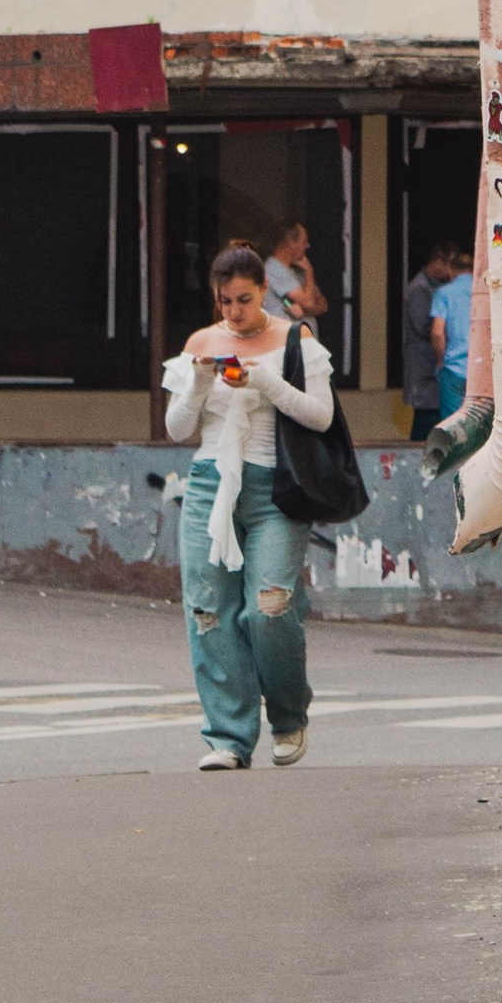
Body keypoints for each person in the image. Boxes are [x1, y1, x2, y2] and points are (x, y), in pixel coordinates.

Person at [162, 242, 336, 770]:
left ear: (264, 290)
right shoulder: (201, 343)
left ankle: (288, 715)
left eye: (244, 299)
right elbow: (177, 430)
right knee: (207, 611)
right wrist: (198, 383)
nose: (234, 312)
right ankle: (229, 738)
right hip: (209, 486)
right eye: (225, 301)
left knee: (270, 607)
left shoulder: (294, 339)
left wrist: (264, 380)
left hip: (274, 489)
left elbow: (321, 416)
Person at [402, 239, 459, 443]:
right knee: (425, 420)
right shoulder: (420, 288)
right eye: (448, 264)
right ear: (436, 262)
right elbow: (423, 326)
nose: (450, 271)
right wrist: (448, 330)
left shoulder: (438, 287)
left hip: (433, 364)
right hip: (424, 365)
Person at [435, 253, 475, 424]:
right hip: (480, 368)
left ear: (451, 270)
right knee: (479, 421)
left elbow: (437, 333)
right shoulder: (483, 291)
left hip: (453, 368)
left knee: (453, 423)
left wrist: (440, 359)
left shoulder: (444, 293)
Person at [266, 220, 327, 326]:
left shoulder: (296, 271)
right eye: (304, 242)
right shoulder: (274, 269)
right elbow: (309, 302)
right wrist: (309, 270)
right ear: (291, 243)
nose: (307, 246)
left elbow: (323, 305)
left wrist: (306, 310)